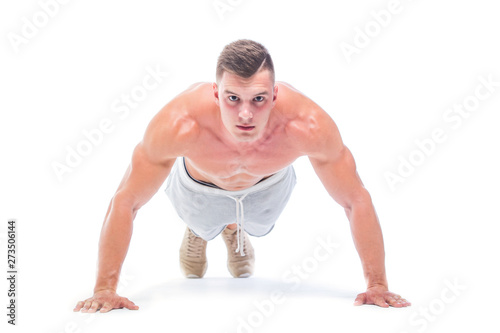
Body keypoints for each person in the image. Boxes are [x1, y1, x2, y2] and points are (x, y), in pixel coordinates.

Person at [73, 39, 410, 313]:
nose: (246, 114)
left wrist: (377, 283)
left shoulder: (307, 126)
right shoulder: (179, 124)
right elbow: (126, 200)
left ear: (275, 94)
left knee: (259, 230)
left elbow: (355, 199)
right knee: (201, 236)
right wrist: (105, 288)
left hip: (268, 187)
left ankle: (235, 228)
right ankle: (201, 230)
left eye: (259, 99)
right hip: (199, 188)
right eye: (233, 98)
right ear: (216, 94)